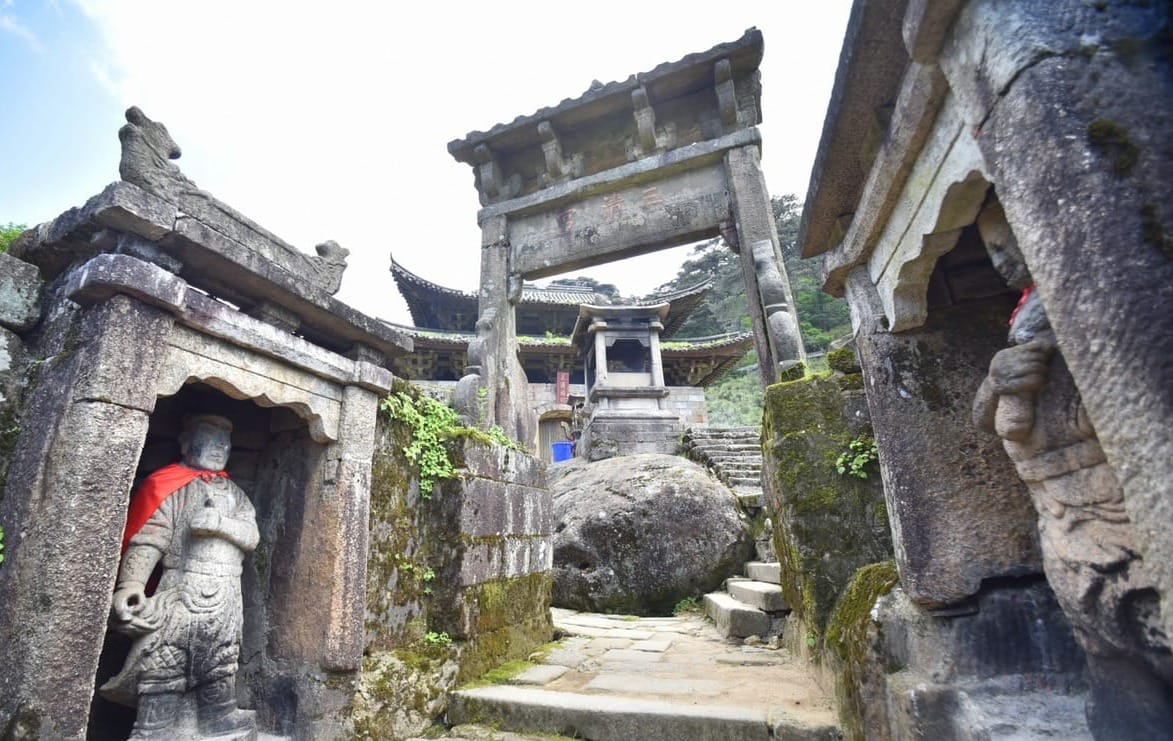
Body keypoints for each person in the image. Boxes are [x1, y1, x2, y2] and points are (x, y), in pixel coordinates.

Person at [972, 203, 1173, 739]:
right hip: (1059, 518)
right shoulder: (1021, 320)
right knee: (1107, 657)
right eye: (994, 248)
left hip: (1125, 509)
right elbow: (983, 419)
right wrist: (996, 380)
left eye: (1009, 238)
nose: (1006, 257)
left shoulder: (1112, 279)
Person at [100, 415, 259, 740]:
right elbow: (149, 540)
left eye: (225, 443)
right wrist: (131, 584)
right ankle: (155, 726)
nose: (220, 448)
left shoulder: (236, 494)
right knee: (165, 658)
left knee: (221, 658)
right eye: (211, 439)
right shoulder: (171, 488)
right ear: (186, 443)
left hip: (227, 593)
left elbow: (251, 535)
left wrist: (219, 523)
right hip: (182, 588)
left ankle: (217, 716)